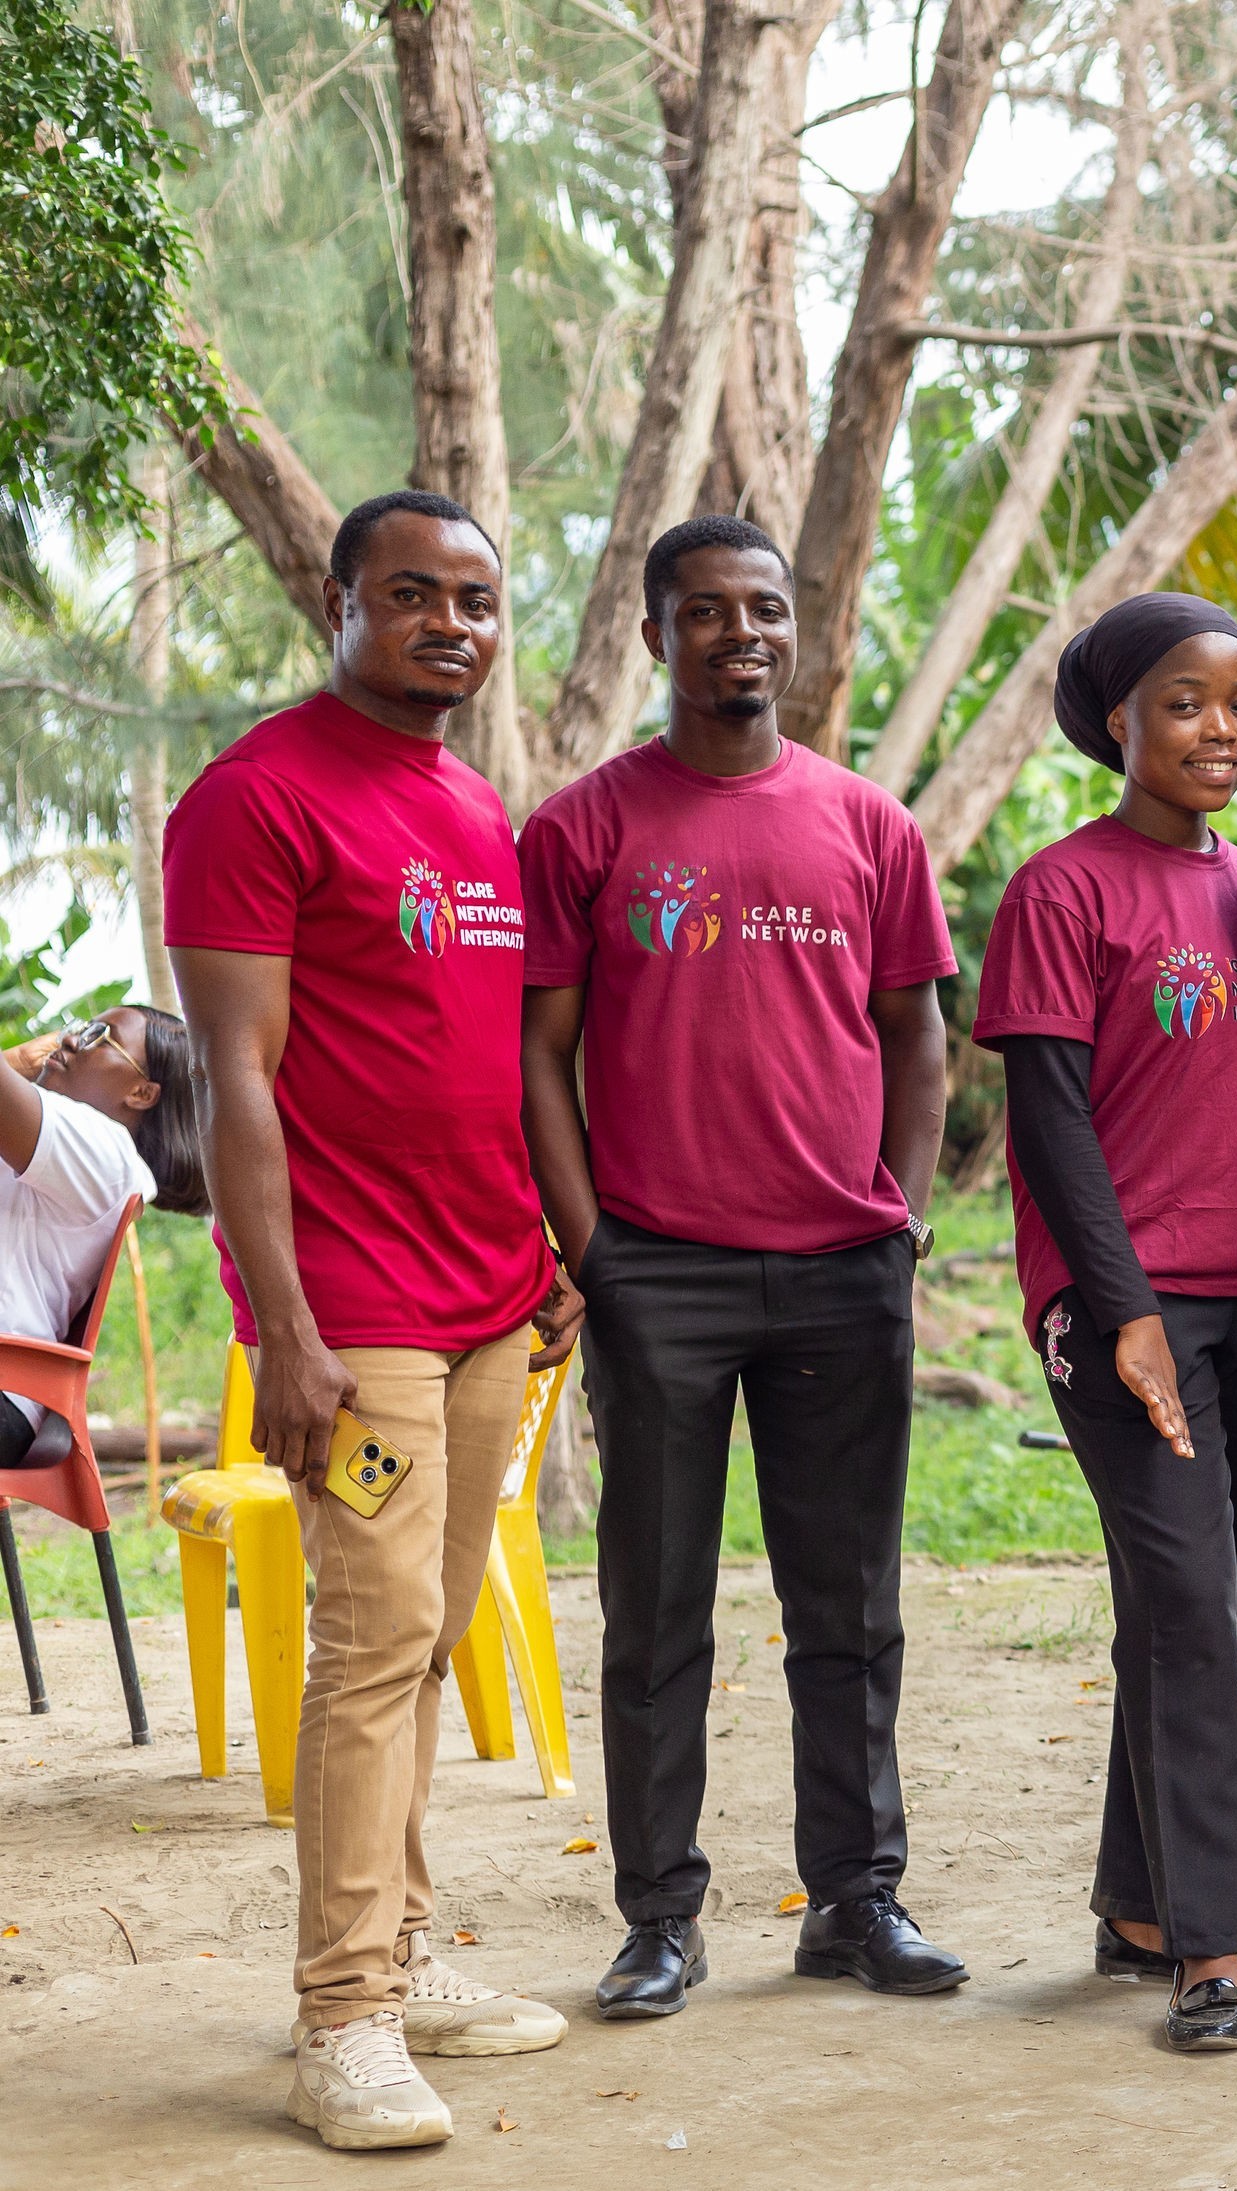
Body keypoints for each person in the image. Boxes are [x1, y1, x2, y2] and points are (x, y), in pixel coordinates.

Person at [165, 489, 581, 2151]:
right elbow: (233, 1078)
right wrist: (285, 1324)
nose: (449, 624)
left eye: (475, 599)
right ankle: (341, 2015)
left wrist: (549, 1245)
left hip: (490, 1291)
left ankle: (398, 1950)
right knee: (370, 1639)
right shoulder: (254, 795)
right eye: (411, 594)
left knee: (425, 1629)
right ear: (338, 601)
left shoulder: (475, 805)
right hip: (356, 1304)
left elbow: (490, 1056)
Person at [522, 515, 964, 2020]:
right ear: (658, 635)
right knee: (657, 1610)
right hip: (662, 1274)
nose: (741, 634)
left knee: (849, 1604)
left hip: (843, 1266)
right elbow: (540, 1052)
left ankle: (856, 1898)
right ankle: (661, 1916)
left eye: (765, 608)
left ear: (796, 625)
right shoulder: (582, 827)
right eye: (706, 611)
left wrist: (900, 1217)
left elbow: (918, 1034)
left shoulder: (868, 823)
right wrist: (594, 1245)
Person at [975, 591, 1237, 2052]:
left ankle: (1139, 1905)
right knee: (1186, 1609)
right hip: (1127, 1305)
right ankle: (1210, 1946)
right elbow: (1049, 1122)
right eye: (1185, 702)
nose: (1220, 729)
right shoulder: (1061, 890)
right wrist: (1120, 1309)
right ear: (1119, 720)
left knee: (1199, 1611)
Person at [0, 1006, 209, 1466]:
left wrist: (18, 1062)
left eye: (99, 1035)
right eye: (79, 1027)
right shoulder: (58, 1146)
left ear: (141, 1092)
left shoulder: (107, 1152)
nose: (69, 1040)